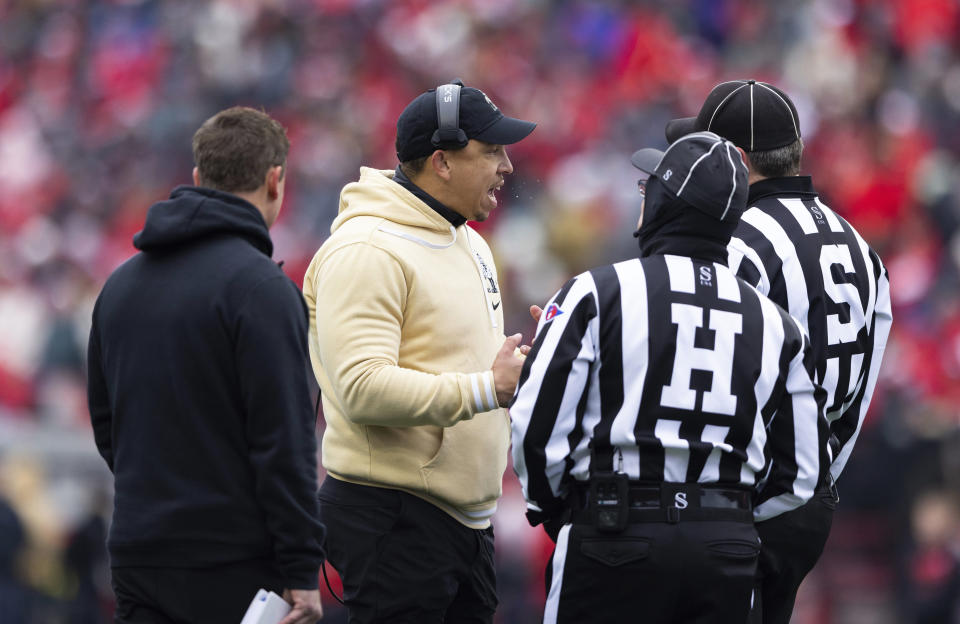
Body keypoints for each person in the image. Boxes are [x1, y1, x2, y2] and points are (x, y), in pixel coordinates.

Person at [510, 131, 828, 623]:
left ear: (663, 202)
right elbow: (802, 472)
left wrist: (566, 512)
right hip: (725, 546)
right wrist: (726, 511)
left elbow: (534, 430)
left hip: (614, 530)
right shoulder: (776, 324)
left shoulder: (595, 293)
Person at [302, 80, 535, 623]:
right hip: (395, 516)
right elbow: (362, 388)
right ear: (442, 162)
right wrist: (488, 387)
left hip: (463, 521)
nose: (507, 166)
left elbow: (464, 362)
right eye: (491, 151)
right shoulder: (367, 249)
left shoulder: (469, 240)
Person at [664, 79, 893, 623]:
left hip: (741, 501)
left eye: (706, 151)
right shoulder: (860, 247)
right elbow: (864, 384)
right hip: (809, 498)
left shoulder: (737, 238)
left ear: (738, 160)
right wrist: (816, 480)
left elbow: (710, 379)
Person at [87, 106, 325, 624]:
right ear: (274, 181)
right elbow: (283, 442)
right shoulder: (263, 290)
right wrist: (302, 569)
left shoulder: (119, 287)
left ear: (197, 179)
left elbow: (108, 428)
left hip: (137, 554)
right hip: (231, 563)